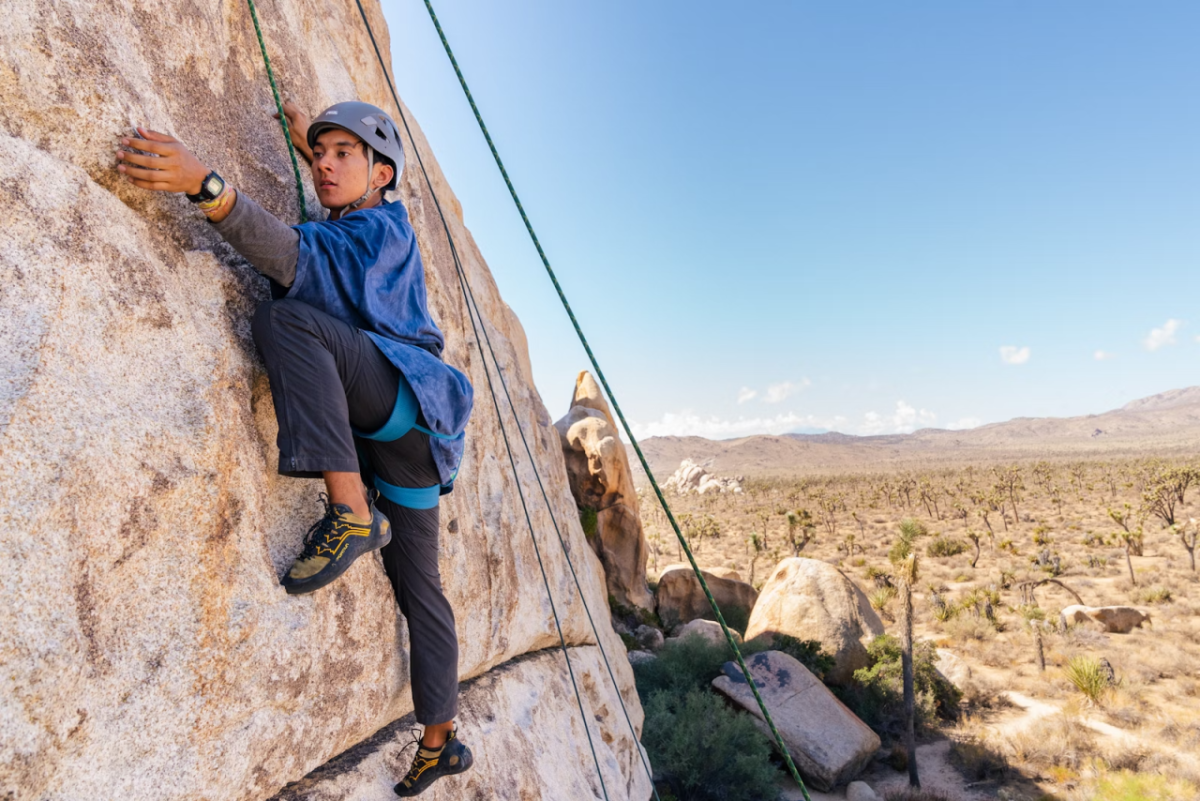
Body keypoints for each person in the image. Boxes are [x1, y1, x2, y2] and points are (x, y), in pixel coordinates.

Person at [115, 100, 474, 797]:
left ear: (382, 173)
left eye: (345, 154)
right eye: (321, 154)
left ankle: (349, 513)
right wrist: (331, 136)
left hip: (401, 406)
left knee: (288, 320)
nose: (327, 164)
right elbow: (334, 242)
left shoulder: (381, 226)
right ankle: (441, 742)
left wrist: (206, 183)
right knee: (421, 592)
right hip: (411, 445)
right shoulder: (368, 221)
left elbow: (297, 256)